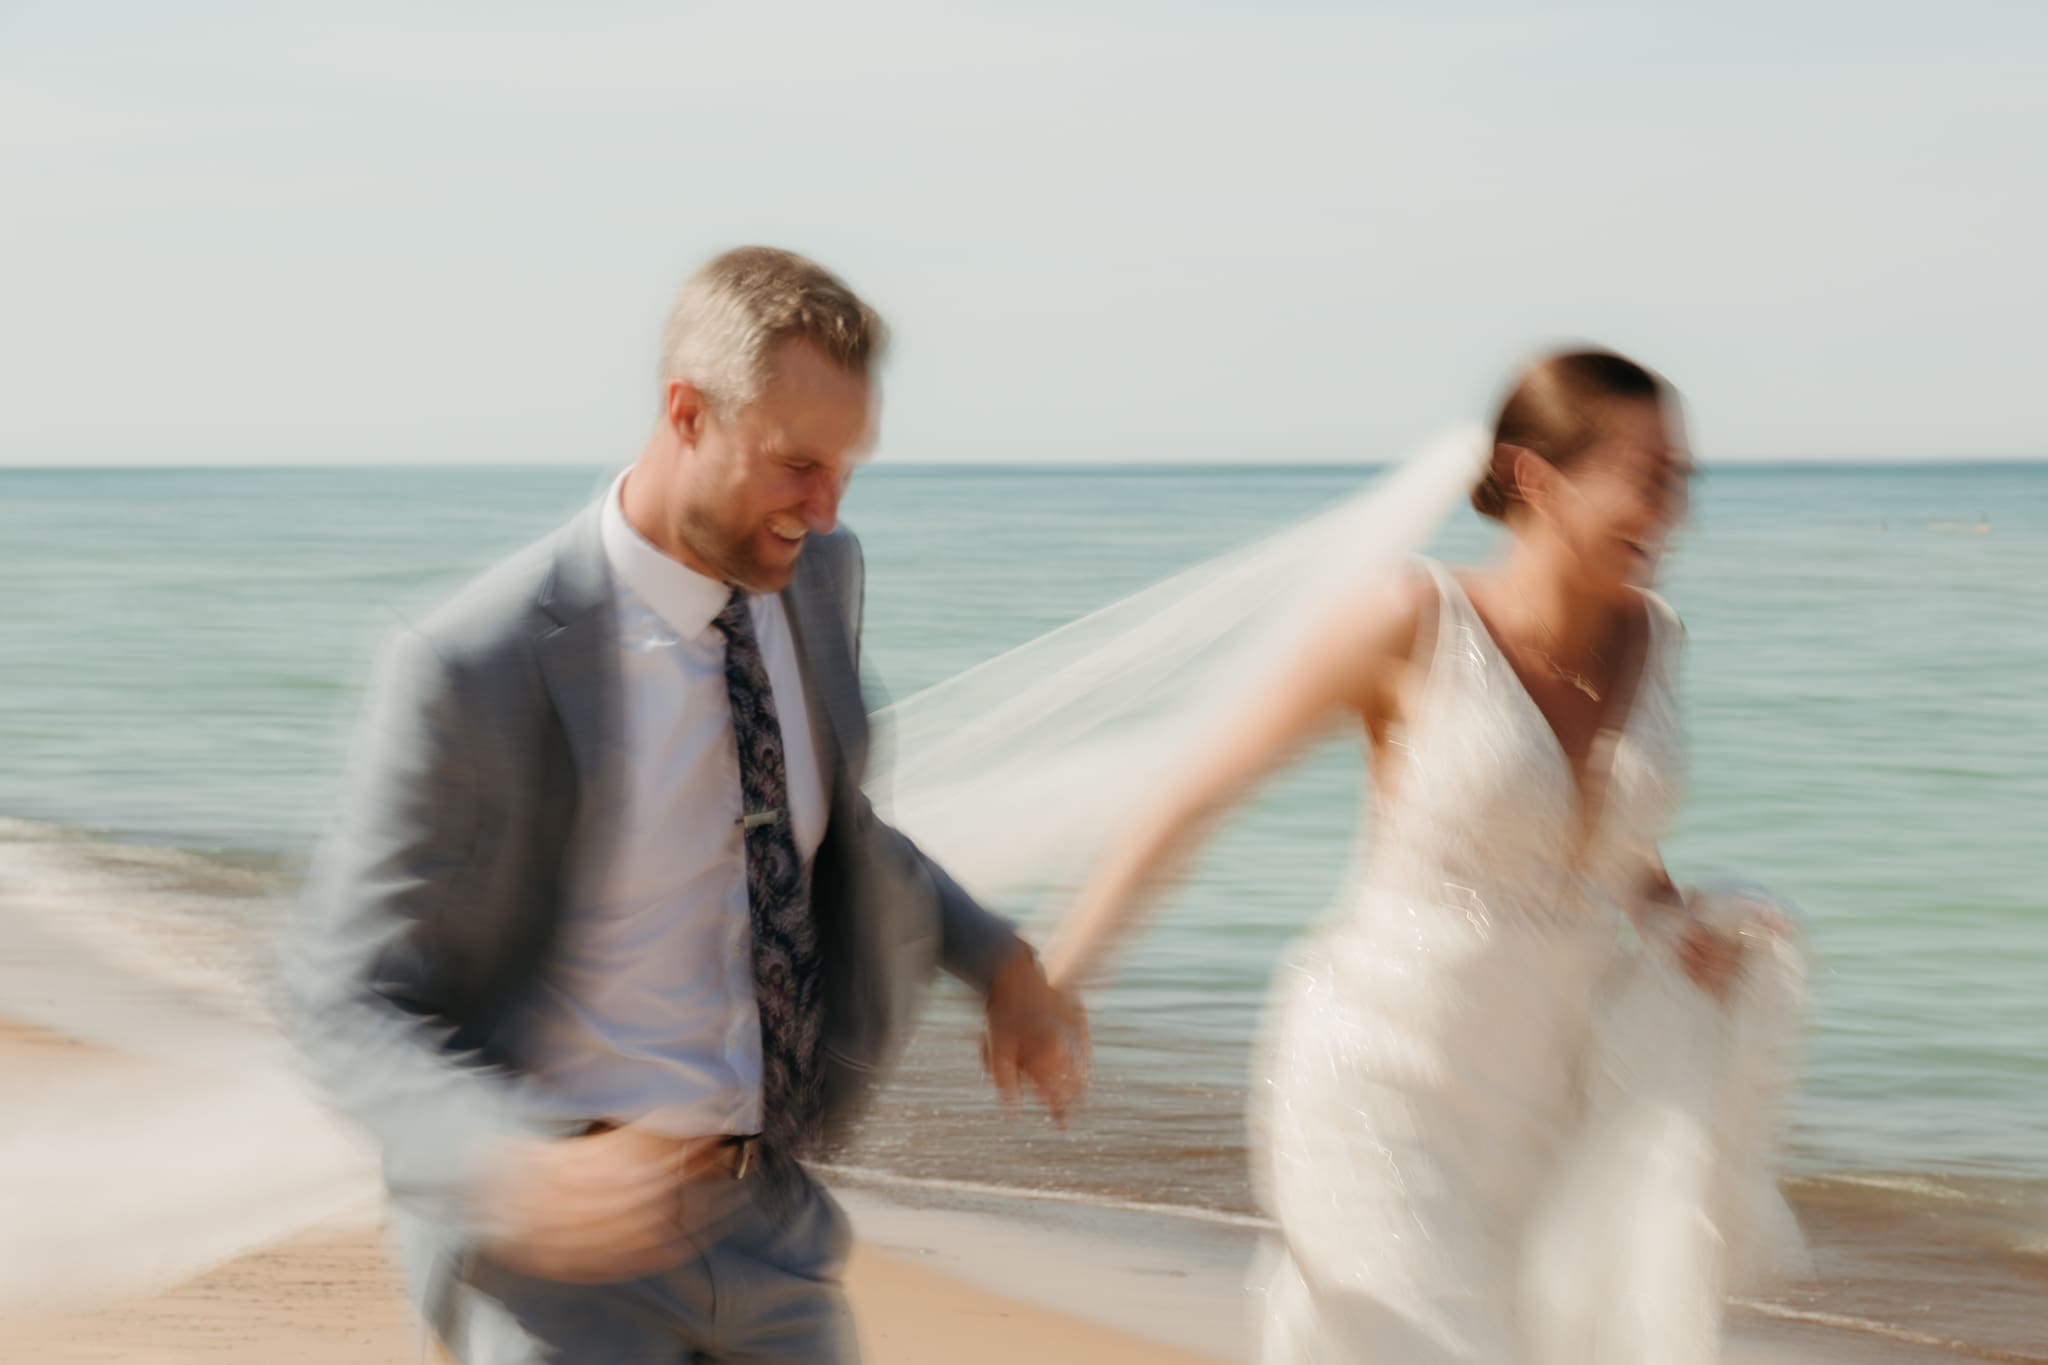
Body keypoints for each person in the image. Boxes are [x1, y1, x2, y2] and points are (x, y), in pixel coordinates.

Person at [285, 245, 1087, 1363]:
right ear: (686, 414)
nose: (824, 505)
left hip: (775, 1232)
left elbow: (836, 828)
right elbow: (346, 1000)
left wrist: (997, 963)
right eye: (796, 463)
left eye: (848, 467)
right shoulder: (476, 665)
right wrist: (513, 1171)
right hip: (558, 1270)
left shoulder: (813, 579)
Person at [1039, 350, 1795, 1363]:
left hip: (1548, 1105)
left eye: (1678, 483)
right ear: (1537, 477)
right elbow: (1198, 788)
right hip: (1379, 1088)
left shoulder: (1655, 636)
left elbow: (1607, 842)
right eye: (1643, 477)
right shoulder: (1409, 619)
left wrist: (1673, 918)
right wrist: (1058, 977)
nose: (1668, 511)